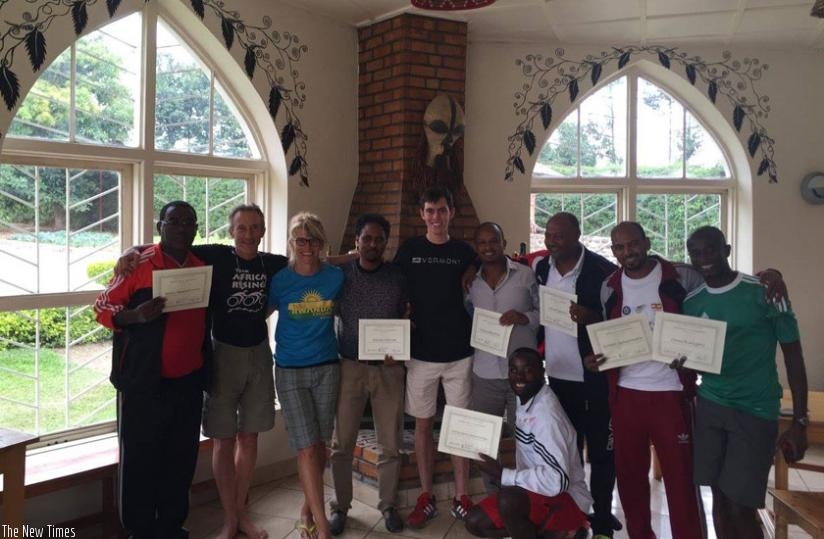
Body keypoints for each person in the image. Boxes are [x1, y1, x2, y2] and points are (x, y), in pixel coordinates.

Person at [113, 204, 288, 539]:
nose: (248, 233)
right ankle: (229, 519)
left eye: (255, 227)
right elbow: (166, 242)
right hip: (220, 356)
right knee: (222, 439)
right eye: (241, 227)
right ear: (231, 231)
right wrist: (129, 250)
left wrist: (351, 258)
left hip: (255, 358)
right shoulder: (215, 256)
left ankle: (240, 516)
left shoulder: (272, 263)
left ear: (263, 231)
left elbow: (309, 262)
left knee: (247, 439)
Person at [95, 201, 211, 539]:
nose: (181, 227)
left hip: (187, 383)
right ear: (160, 225)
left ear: (196, 228)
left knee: (180, 459)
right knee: (140, 460)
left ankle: (171, 526)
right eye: (173, 221)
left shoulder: (200, 265)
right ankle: (140, 531)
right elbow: (102, 308)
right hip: (143, 384)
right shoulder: (139, 264)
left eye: (189, 222)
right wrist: (135, 316)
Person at [683, 226, 808, 539]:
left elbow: (794, 356)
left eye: (710, 250)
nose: (703, 259)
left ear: (726, 249)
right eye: (695, 253)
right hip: (710, 405)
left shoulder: (764, 292)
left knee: (742, 504)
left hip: (754, 410)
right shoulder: (692, 301)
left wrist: (799, 421)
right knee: (720, 499)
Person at [585, 221, 703, 539]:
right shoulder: (609, 285)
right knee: (630, 477)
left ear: (646, 242)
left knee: (680, 478)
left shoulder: (681, 277)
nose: (628, 252)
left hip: (671, 392)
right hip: (625, 393)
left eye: (633, 244)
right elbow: (609, 339)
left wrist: (694, 353)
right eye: (620, 247)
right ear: (613, 251)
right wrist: (599, 358)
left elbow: (711, 309)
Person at [392, 185, 478, 527]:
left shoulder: (464, 252)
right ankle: (426, 495)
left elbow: (486, 272)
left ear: (451, 212)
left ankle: (462, 495)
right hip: (421, 354)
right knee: (423, 425)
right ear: (422, 215)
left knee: (459, 426)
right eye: (429, 211)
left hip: (459, 352)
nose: (436, 217)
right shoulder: (410, 250)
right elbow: (393, 289)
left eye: (441, 210)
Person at [532, 212, 620, 538]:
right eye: (548, 235)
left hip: (595, 379)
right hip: (556, 377)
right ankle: (575, 516)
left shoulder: (603, 272)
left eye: (559, 236)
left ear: (577, 235)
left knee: (601, 452)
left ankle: (601, 518)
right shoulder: (542, 268)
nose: (551, 241)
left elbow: (620, 323)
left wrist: (593, 317)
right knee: (567, 451)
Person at [328, 214, 408, 535]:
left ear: (386, 243)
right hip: (349, 367)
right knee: (341, 444)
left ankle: (388, 505)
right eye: (367, 238)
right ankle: (340, 508)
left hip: (388, 371)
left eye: (379, 239)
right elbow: (314, 264)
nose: (373, 244)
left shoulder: (397, 277)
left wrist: (401, 343)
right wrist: (343, 257)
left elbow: (406, 315)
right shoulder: (340, 275)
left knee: (390, 445)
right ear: (357, 241)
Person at [267, 212, 343, 539]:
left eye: (312, 239)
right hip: (290, 371)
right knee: (306, 448)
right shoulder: (280, 281)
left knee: (321, 445)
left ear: (321, 243)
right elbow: (259, 313)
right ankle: (322, 527)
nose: (307, 245)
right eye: (300, 239)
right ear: (291, 243)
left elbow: (354, 263)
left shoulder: (336, 277)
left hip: (327, 367)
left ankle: (307, 508)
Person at [464, 347, 592, 539]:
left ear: (541, 371)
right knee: (474, 522)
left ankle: (570, 525)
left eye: (527, 370)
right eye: (513, 370)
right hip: (537, 492)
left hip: (568, 499)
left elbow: (558, 480)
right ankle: (558, 535)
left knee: (509, 500)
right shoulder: (525, 396)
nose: (519, 377)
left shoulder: (547, 416)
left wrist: (502, 474)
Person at [466, 222, 538, 439]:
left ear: (504, 243)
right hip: (485, 373)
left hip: (523, 372)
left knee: (526, 438)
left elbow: (546, 312)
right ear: (476, 247)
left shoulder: (526, 275)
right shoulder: (470, 283)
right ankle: (492, 476)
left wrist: (524, 317)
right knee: (484, 441)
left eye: (494, 241)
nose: (488, 247)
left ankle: (526, 474)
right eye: (482, 243)